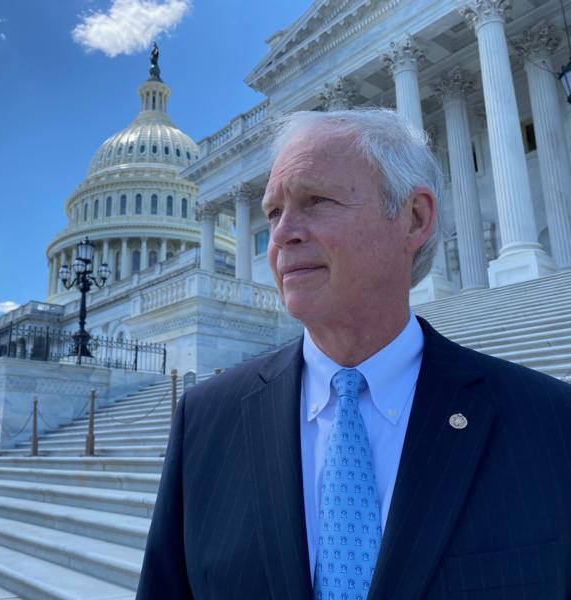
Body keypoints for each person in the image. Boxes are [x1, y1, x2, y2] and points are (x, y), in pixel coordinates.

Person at [137, 109, 571, 599]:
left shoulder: (551, 423)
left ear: (414, 218)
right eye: (275, 212)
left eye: (316, 200)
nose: (280, 236)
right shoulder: (205, 421)